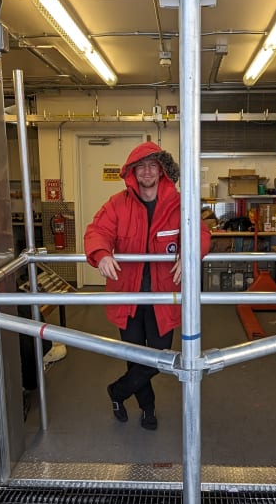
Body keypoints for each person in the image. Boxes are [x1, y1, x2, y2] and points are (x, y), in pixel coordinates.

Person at [84, 141, 211, 430]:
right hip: (126, 296)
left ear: (163, 170)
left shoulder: (180, 204)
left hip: (164, 296)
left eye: (153, 165)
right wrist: (101, 254)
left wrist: (189, 254)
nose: (147, 172)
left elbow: (201, 233)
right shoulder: (117, 204)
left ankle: (117, 392)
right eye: (140, 166)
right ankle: (148, 408)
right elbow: (97, 231)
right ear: (132, 172)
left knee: (159, 355)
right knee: (134, 355)